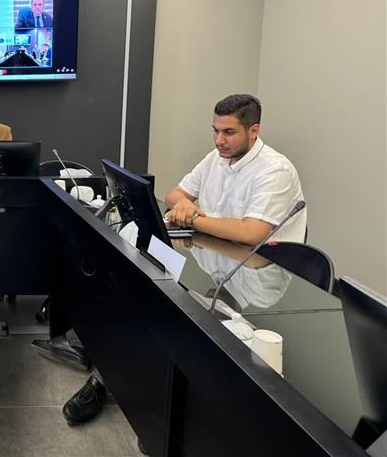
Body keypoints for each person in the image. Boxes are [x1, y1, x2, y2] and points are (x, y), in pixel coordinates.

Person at [35, 93, 306, 425]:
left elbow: (251, 232)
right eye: (215, 131)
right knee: (137, 282)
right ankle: (107, 367)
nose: (219, 140)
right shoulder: (216, 158)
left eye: (229, 132)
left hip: (257, 286)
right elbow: (175, 194)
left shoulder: (275, 170)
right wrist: (186, 206)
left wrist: (193, 218)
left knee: (159, 308)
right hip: (213, 264)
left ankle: (113, 387)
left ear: (254, 131)